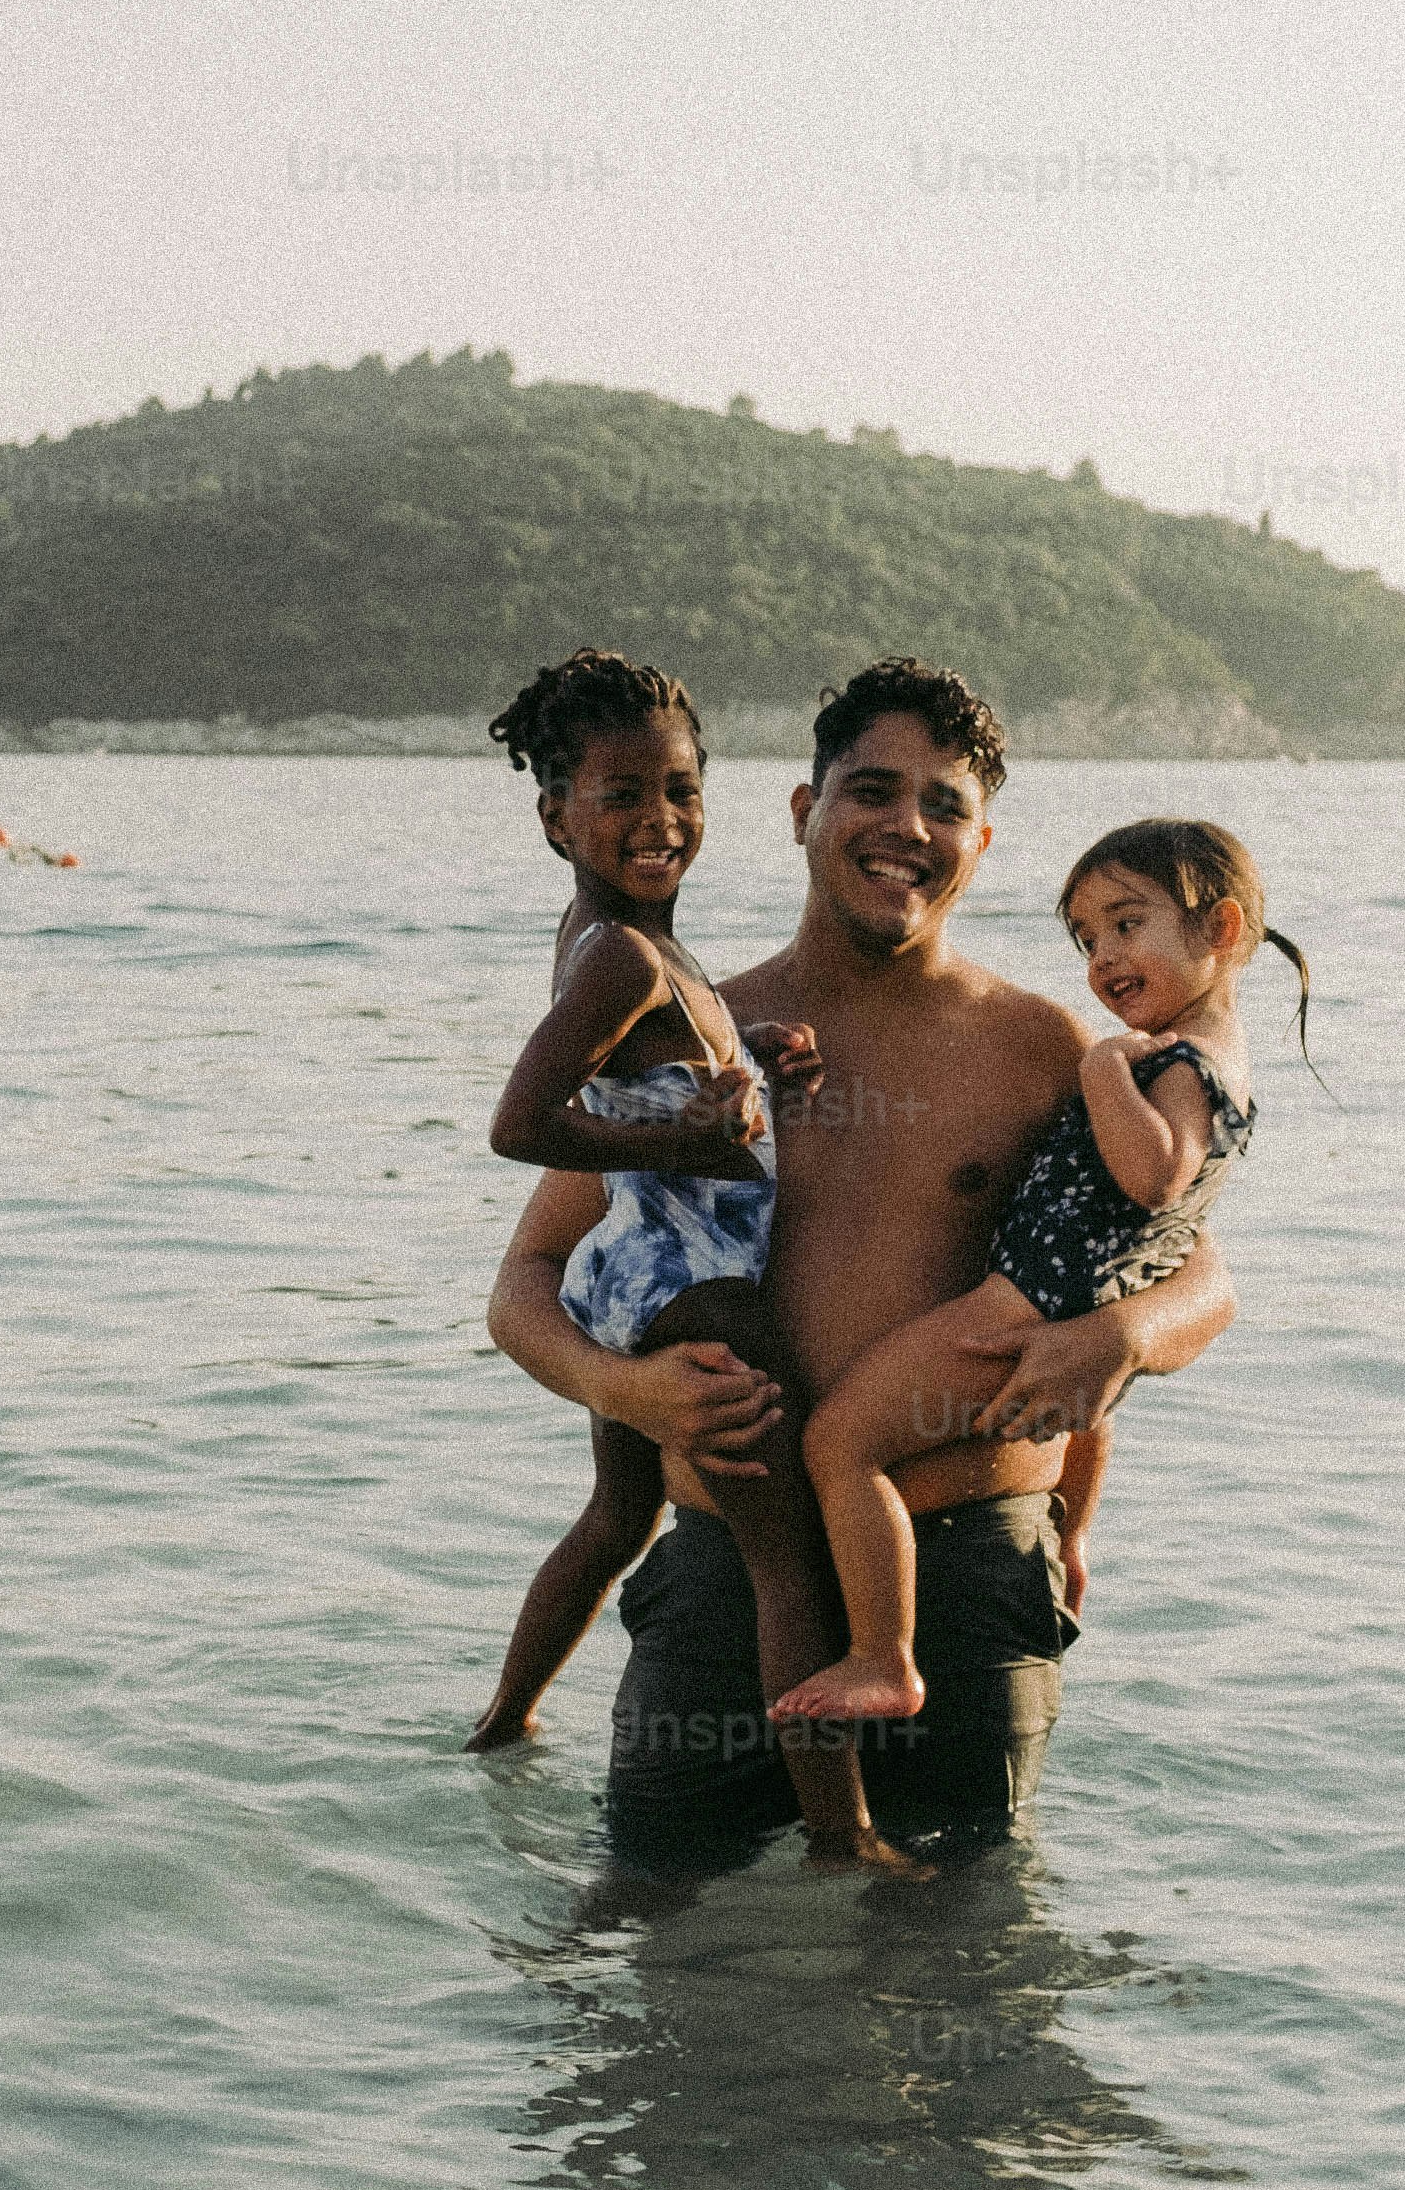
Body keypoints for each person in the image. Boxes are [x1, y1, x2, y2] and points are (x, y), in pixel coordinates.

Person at [487, 662, 1236, 1871]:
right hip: (729, 1575)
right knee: (658, 1967)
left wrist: (1122, 1337)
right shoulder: (696, 1025)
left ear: (980, 840)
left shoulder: (1047, 1046)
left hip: (970, 1578)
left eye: (941, 806)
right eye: (870, 791)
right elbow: (524, 1279)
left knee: (971, 1973)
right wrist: (622, 1390)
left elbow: (1198, 1274)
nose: (905, 827)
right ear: (802, 810)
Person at [774, 819, 1302, 1726]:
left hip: (1018, 1312)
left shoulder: (1164, 1064)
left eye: (1126, 925)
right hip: (1067, 1303)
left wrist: (1100, 1067)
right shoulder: (1194, 1057)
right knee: (1086, 1421)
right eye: (1088, 939)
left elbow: (1156, 1174)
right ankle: (1073, 1536)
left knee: (840, 1445)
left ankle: (883, 1657)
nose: (1103, 957)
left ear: (1220, 929)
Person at [463, 653, 848, 1816]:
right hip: (697, 1284)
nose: (659, 819)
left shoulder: (629, 944)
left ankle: (501, 1724)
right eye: (620, 794)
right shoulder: (624, 953)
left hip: (625, 1276)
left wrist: (752, 1051)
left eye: (679, 789)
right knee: (789, 1560)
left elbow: (650, 1065)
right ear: (553, 815)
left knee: (618, 1515)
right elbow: (519, 1123)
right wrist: (680, 1139)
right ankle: (843, 1832)